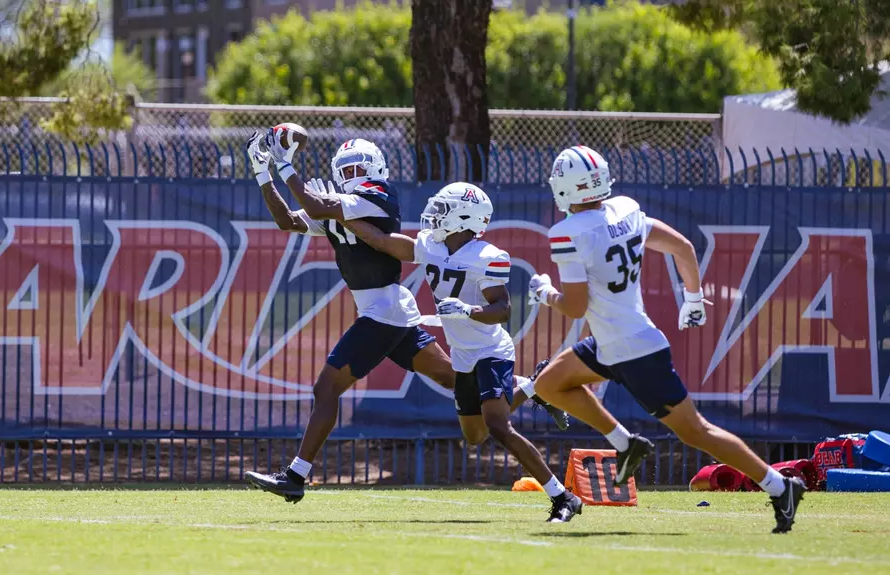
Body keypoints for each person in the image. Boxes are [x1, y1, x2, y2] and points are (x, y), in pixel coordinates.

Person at [528, 145, 806, 533]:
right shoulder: (625, 209)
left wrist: (544, 293)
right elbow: (683, 247)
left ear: (563, 188)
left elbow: (574, 307)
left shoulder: (567, 233)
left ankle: (780, 487)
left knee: (696, 431)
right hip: (617, 341)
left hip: (633, 350)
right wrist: (693, 298)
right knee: (548, 384)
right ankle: (625, 443)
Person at [335, 180, 582, 522]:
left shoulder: (488, 257)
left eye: (442, 210)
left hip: (491, 349)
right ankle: (533, 385)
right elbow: (381, 241)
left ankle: (562, 497)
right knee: (475, 434)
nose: (434, 215)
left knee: (498, 426)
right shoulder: (431, 247)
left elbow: (502, 309)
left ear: (464, 218)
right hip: (463, 354)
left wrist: (468, 310)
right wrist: (340, 213)